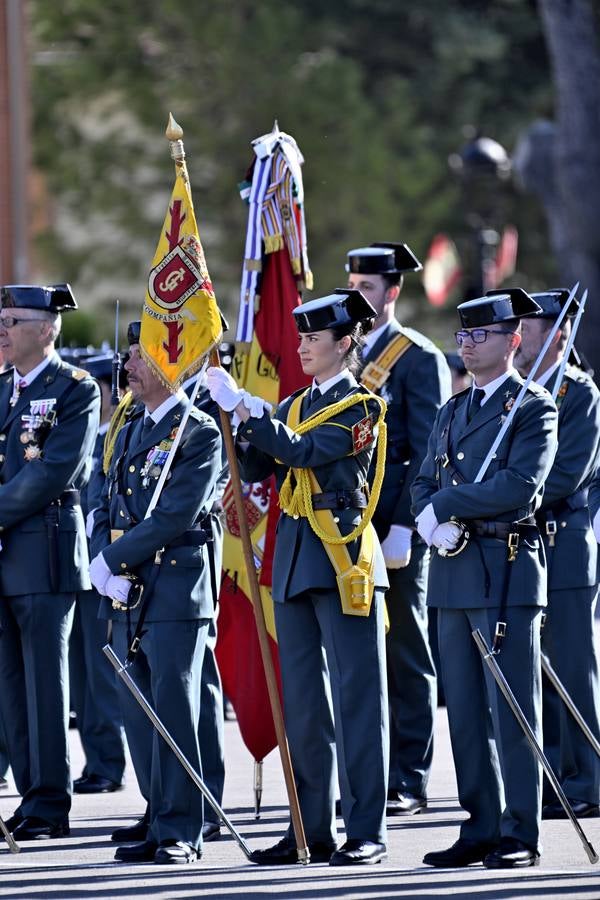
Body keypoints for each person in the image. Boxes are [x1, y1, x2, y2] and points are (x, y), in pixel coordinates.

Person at [207, 288, 389, 866]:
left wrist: (248, 410)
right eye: (302, 337)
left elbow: (309, 453)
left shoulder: (361, 406)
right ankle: (309, 828)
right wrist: (235, 419)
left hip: (342, 560)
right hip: (292, 567)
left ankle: (366, 829)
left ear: (345, 344)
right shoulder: (291, 404)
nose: (303, 347)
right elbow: (261, 462)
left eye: (315, 338)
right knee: (304, 708)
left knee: (358, 701)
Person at [412, 288, 558, 869]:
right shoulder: (453, 410)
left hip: (506, 569)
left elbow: (520, 487)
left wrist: (447, 503)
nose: (468, 346)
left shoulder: (532, 407)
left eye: (481, 336)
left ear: (513, 342)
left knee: (514, 708)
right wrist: (430, 518)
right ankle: (479, 825)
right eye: (463, 336)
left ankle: (521, 830)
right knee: (467, 714)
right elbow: (424, 479)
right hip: (453, 572)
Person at [89, 321, 223, 865]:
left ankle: (182, 829)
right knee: (139, 711)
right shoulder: (130, 427)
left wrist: (111, 559)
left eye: (140, 356)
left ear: (171, 363)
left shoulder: (198, 432)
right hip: (128, 588)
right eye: (128, 355)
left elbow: (174, 516)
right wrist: (102, 558)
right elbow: (104, 500)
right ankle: (158, 813)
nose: (129, 365)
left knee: (174, 707)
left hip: (173, 587)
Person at [346, 242, 451, 815]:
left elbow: (430, 452)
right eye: (353, 287)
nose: (359, 297)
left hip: (394, 531)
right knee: (361, 656)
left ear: (393, 292)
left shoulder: (416, 357)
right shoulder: (344, 358)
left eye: (368, 289)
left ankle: (408, 776)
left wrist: (407, 526)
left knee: (406, 652)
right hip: (347, 529)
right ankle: (367, 774)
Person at [0, 283, 100, 839]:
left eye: (13, 320)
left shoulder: (74, 390)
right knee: (10, 686)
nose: (3, 330)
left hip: (43, 552)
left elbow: (51, 473)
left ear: (45, 329)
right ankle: (27, 794)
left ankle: (49, 804)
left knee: (45, 683)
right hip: (6, 554)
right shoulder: (3, 389)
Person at [515, 289, 600, 819]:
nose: (519, 336)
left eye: (530, 325)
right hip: (526, 546)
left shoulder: (579, 393)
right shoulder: (520, 393)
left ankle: (588, 777)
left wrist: (507, 495)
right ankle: (550, 776)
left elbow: (567, 473)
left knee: (573, 667)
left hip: (564, 545)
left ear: (559, 333)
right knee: (537, 672)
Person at [68, 352, 127, 794]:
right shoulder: (91, 439)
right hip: (79, 568)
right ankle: (95, 760)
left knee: (104, 674)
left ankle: (108, 763)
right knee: (85, 673)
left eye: (103, 387)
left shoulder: (119, 437)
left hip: (108, 568)